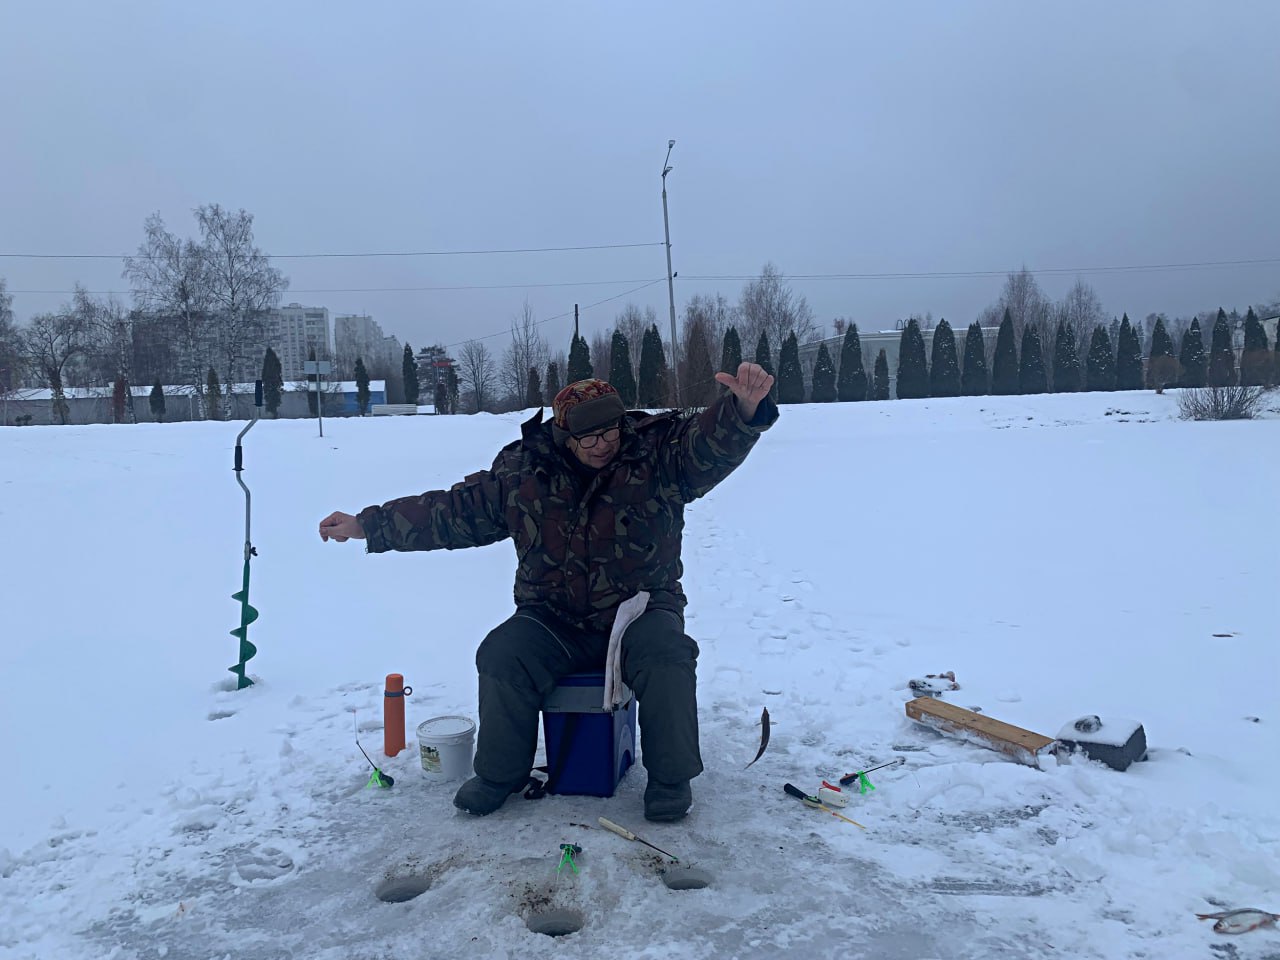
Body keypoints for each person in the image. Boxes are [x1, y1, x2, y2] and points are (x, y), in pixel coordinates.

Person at [319, 362, 777, 821]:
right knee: (502, 654)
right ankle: (500, 774)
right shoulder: (524, 473)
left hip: (641, 610)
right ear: (564, 435)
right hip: (553, 617)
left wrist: (742, 410)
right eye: (589, 437)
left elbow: (708, 449)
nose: (604, 445)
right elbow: (452, 512)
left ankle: (671, 779)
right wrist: (367, 526)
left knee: (668, 656)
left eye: (611, 431)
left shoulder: (658, 455)